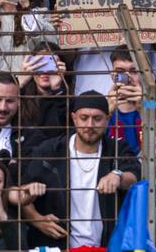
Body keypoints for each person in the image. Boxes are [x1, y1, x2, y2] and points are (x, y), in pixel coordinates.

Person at [20, 92, 141, 249]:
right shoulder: (50, 151)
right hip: (58, 245)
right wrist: (36, 219)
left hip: (106, 245)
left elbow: (135, 175)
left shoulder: (117, 149)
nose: (90, 125)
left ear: (107, 119)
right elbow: (22, 192)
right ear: (74, 118)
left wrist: (117, 176)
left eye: (97, 118)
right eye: (84, 118)